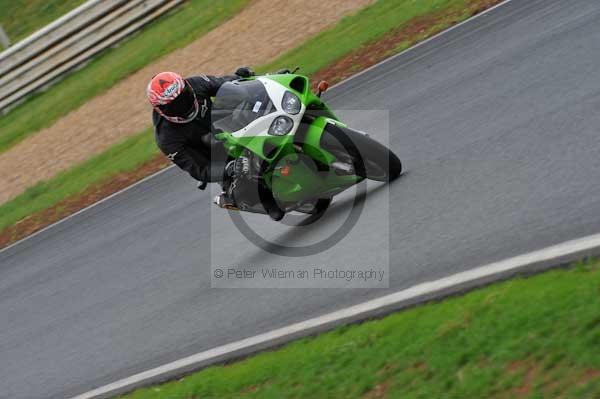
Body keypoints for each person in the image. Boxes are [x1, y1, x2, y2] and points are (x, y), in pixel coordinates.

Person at [146, 68, 285, 220]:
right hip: (213, 155)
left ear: (187, 87)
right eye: (175, 105)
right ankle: (263, 200)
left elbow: (225, 84)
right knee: (251, 191)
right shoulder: (167, 139)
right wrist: (227, 169)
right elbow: (198, 169)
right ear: (161, 110)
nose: (183, 105)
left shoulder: (197, 83)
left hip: (227, 125)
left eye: (184, 97)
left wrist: (244, 78)